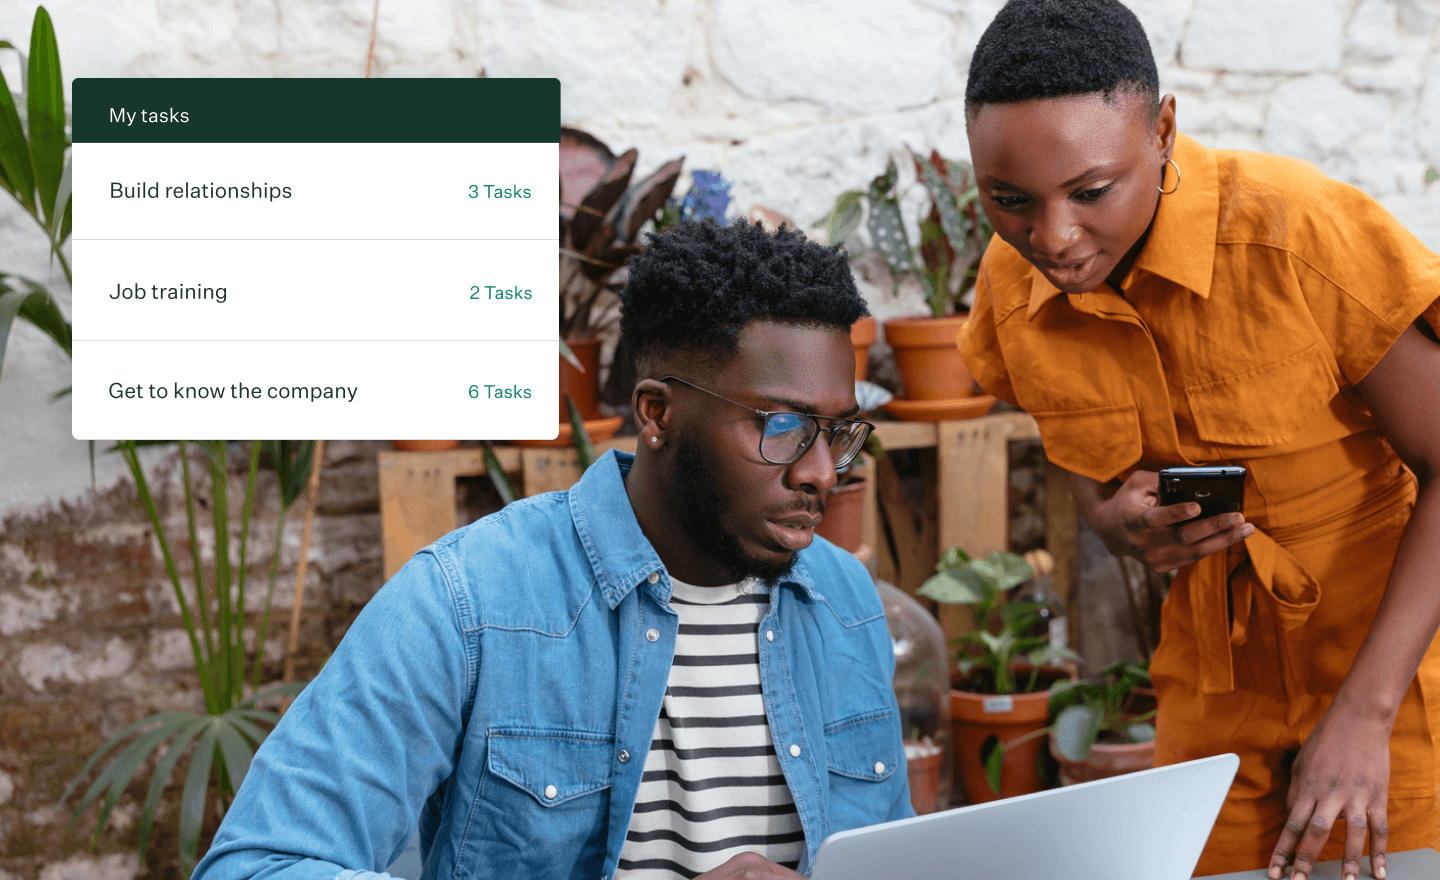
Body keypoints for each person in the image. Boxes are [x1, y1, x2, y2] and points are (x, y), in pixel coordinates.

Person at [193, 219, 912, 880]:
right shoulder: (469, 602)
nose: (821, 471)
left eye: (841, 431)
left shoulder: (845, 600)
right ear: (657, 413)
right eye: (782, 426)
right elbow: (256, 865)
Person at [955, 2, 1440, 879]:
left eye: (1091, 192)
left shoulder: (1297, 236)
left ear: (1165, 129)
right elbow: (1078, 466)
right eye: (1010, 201)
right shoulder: (1009, 290)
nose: (1053, 239)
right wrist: (1115, 525)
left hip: (1395, 670)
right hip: (1211, 684)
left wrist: (1366, 715)